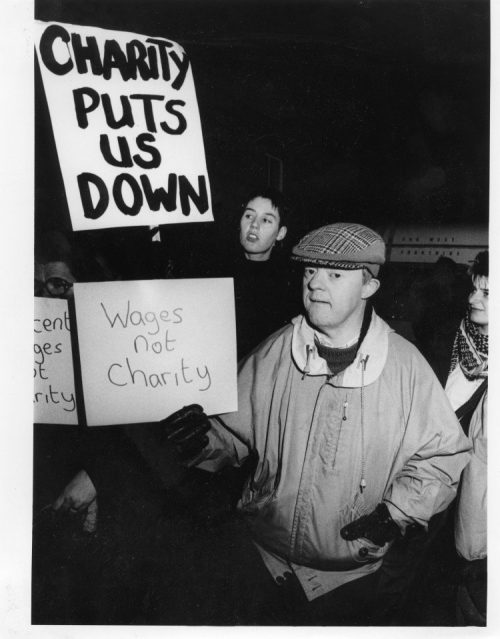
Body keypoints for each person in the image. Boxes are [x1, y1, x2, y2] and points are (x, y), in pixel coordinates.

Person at [162, 222, 471, 625]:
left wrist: (396, 512)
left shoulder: (404, 366)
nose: (315, 285)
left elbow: (444, 456)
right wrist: (202, 441)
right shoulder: (278, 349)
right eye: (310, 271)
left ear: (368, 287)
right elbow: (232, 434)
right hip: (260, 556)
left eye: (334, 275)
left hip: (348, 578)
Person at [445, 250, 488, 626]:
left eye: (488, 294)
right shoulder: (456, 336)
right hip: (446, 470)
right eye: (475, 290)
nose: (474, 299)